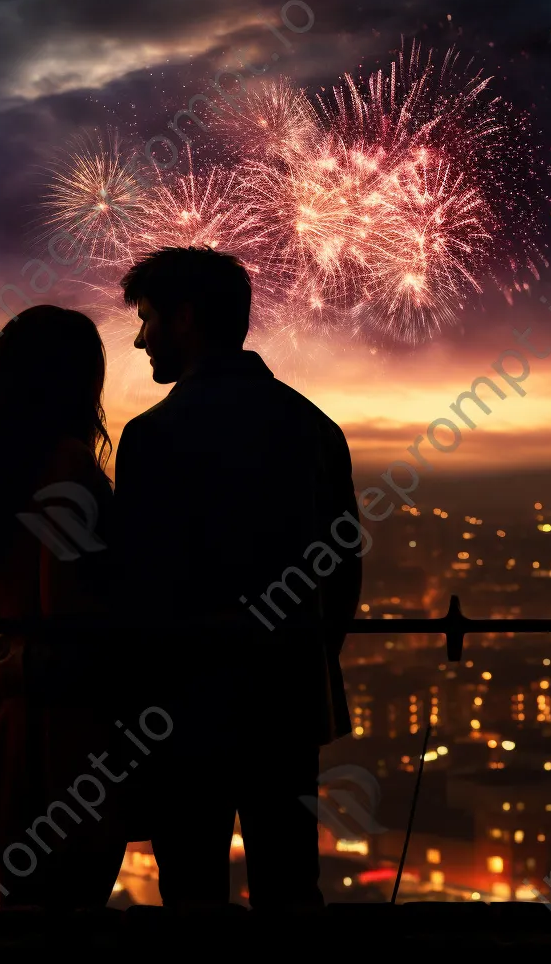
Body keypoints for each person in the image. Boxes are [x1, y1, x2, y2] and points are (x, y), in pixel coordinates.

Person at [115, 246, 362, 909]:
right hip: (287, 698)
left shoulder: (152, 437)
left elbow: (141, 589)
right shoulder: (315, 429)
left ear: (186, 319)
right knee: (289, 885)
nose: (140, 339)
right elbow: (342, 576)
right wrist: (303, 652)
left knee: (192, 890)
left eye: (147, 319)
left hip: (184, 708)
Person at [0, 304, 128, 909]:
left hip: (18, 707)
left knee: (30, 910)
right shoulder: (65, 464)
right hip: (64, 718)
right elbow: (62, 605)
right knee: (72, 905)